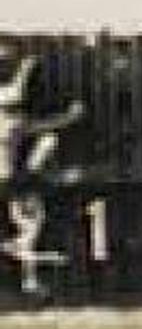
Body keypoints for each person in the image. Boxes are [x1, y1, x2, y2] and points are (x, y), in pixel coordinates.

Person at [1, 54, 86, 296]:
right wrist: (71, 116)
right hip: (11, 180)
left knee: (29, 224)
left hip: (13, 179)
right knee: (31, 224)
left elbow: (16, 94)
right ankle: (25, 266)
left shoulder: (12, 123)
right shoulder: (13, 124)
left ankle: (26, 267)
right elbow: (47, 124)